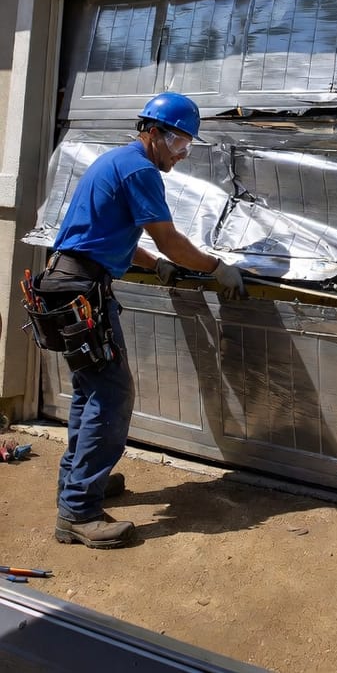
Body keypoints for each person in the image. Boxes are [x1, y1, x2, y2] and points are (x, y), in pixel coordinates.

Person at [38, 91, 246, 550]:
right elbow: (168, 238)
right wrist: (216, 267)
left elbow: (105, 236)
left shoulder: (115, 163)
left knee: (91, 392)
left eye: (187, 144)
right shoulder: (140, 170)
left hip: (66, 284)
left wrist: (155, 265)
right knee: (111, 397)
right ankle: (78, 512)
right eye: (178, 141)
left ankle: (80, 483)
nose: (182, 152)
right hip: (81, 291)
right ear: (152, 132)